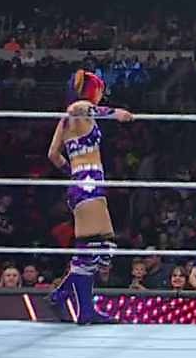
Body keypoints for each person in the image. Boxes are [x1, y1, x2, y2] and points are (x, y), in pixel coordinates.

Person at [45, 69, 132, 321]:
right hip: (88, 183)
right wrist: (114, 113)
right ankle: (68, 300)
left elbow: (53, 154)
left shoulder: (65, 121)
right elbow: (79, 107)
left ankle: (78, 306)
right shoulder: (77, 109)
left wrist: (73, 172)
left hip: (87, 181)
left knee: (98, 246)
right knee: (91, 247)